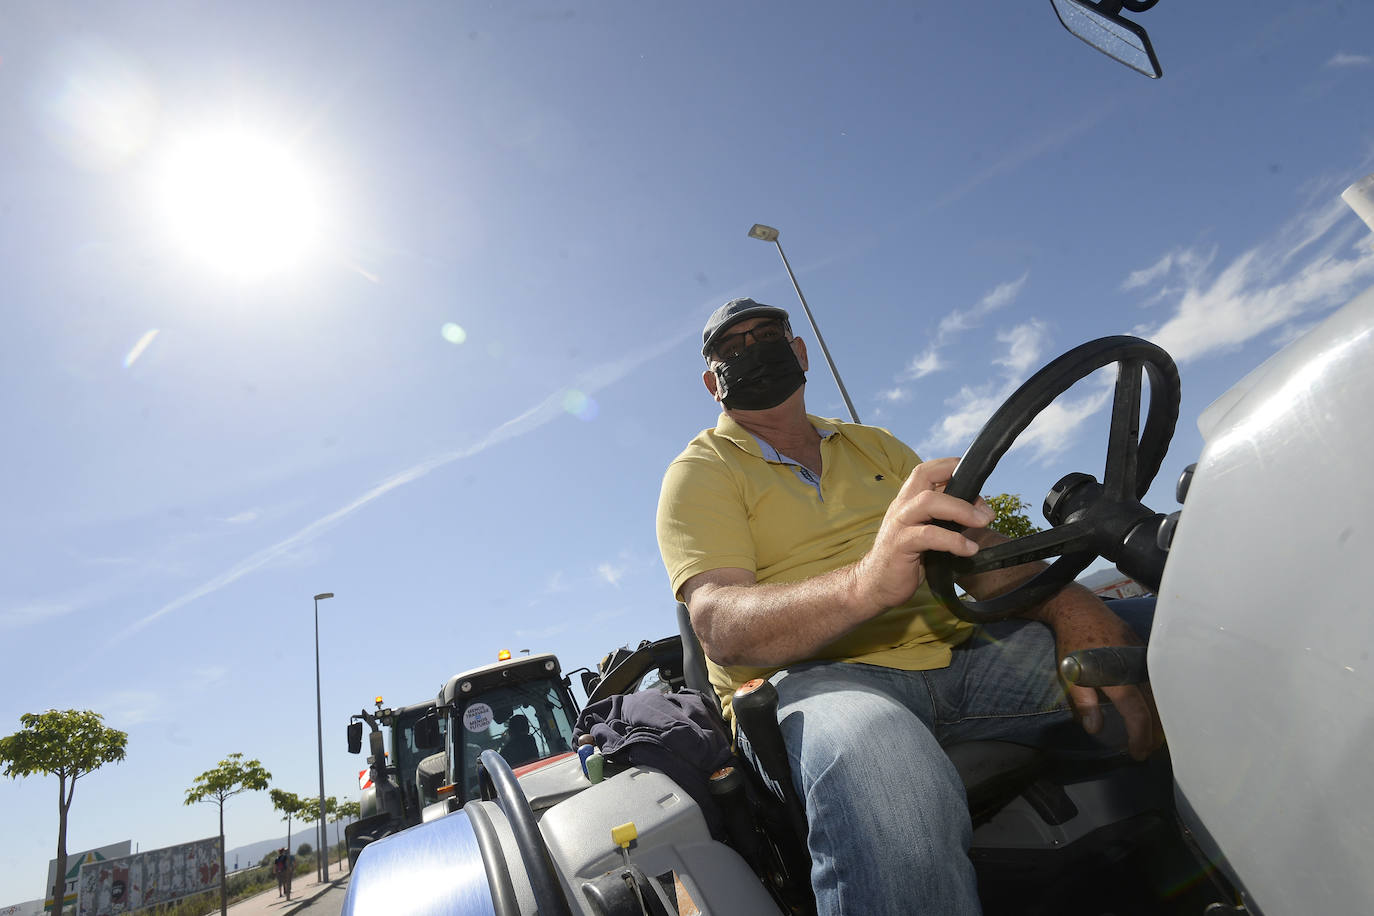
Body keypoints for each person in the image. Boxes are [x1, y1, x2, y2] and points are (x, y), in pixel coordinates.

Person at [655, 297, 1161, 916]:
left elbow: (973, 547)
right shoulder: (700, 471)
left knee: (1173, 638)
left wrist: (1067, 606)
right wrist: (866, 583)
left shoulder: (876, 446)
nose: (753, 349)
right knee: (875, 752)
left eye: (768, 335)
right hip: (814, 688)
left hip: (961, 657)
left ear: (800, 349)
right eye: (732, 348)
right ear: (713, 382)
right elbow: (720, 626)